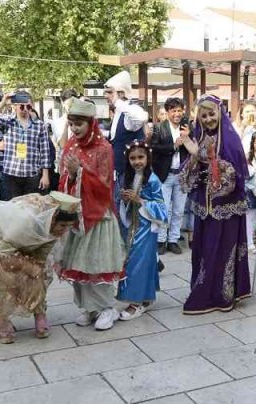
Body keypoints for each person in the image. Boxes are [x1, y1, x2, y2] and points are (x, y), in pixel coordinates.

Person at [0, 192, 78, 344]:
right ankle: (0, 321)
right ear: (52, 219)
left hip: (17, 242)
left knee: (40, 271)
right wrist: (28, 267)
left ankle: (40, 313)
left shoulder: (50, 226)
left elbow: (41, 255)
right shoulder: (24, 223)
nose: (64, 230)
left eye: (69, 226)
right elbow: (2, 255)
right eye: (63, 225)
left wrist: (36, 270)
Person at [55, 99, 126, 331]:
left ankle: (107, 308)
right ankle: (90, 308)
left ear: (90, 123)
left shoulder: (104, 148)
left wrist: (81, 172)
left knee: (97, 263)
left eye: (79, 124)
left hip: (98, 215)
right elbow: (63, 179)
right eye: (71, 124)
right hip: (77, 215)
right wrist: (73, 175)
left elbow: (105, 184)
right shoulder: (70, 147)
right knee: (77, 264)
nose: (74, 129)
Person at [179, 95, 252, 314]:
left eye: (212, 114)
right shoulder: (198, 135)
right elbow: (189, 170)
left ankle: (223, 296)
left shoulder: (231, 139)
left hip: (226, 207)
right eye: (204, 115)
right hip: (204, 206)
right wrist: (193, 159)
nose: (209, 119)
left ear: (220, 113)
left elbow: (234, 173)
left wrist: (198, 153)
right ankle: (203, 289)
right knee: (204, 250)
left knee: (222, 250)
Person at [118, 141, 168, 320]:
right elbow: (121, 202)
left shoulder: (153, 180)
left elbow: (162, 208)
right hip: (131, 226)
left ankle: (135, 303)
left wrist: (139, 200)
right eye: (133, 158)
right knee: (138, 261)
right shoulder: (125, 177)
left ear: (148, 158)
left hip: (146, 228)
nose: (137, 161)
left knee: (137, 263)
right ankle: (146, 297)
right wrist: (124, 199)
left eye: (140, 157)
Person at [149, 97, 192, 254]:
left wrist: (186, 138)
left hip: (181, 174)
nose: (177, 114)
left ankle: (173, 239)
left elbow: (193, 148)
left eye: (179, 110)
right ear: (167, 112)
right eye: (173, 111)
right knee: (164, 208)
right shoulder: (159, 128)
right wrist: (173, 146)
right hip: (164, 175)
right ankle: (161, 239)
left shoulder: (187, 128)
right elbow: (153, 147)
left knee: (179, 210)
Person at [104, 71, 149, 177]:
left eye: (110, 92)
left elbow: (142, 117)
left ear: (121, 93)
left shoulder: (131, 109)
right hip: (119, 171)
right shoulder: (118, 113)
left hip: (132, 173)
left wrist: (117, 102)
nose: (106, 96)